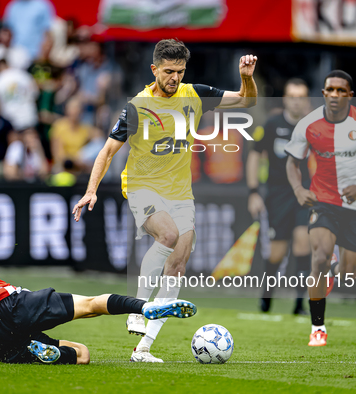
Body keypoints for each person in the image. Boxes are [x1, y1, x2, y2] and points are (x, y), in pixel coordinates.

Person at [72, 39, 257, 362]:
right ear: (154, 69)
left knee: (178, 265)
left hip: (180, 192)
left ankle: (143, 348)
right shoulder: (137, 106)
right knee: (168, 236)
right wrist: (91, 189)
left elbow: (246, 102)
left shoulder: (194, 94)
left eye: (180, 72)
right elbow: (107, 151)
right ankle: (137, 309)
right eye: (169, 71)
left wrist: (246, 77)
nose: (175, 78)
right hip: (143, 187)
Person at [0, 173, 196, 364]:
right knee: (91, 305)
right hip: (8, 305)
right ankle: (145, 308)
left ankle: (46, 351)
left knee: (81, 354)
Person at [284, 70, 356, 347]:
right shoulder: (308, 125)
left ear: (349, 95)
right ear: (323, 93)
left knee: (349, 274)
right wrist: (299, 189)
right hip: (323, 199)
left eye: (340, 91)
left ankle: (335, 269)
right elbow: (292, 162)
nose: (334, 95)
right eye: (329, 90)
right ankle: (317, 328)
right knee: (319, 256)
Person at [247, 78, 311, 315]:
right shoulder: (271, 124)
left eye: (301, 97)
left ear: (306, 101)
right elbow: (254, 157)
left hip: (303, 193)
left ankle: (299, 303)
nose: (296, 102)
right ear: (285, 99)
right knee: (277, 253)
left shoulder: (312, 127)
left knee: (303, 244)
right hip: (277, 194)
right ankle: (266, 298)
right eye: (292, 97)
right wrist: (253, 192)